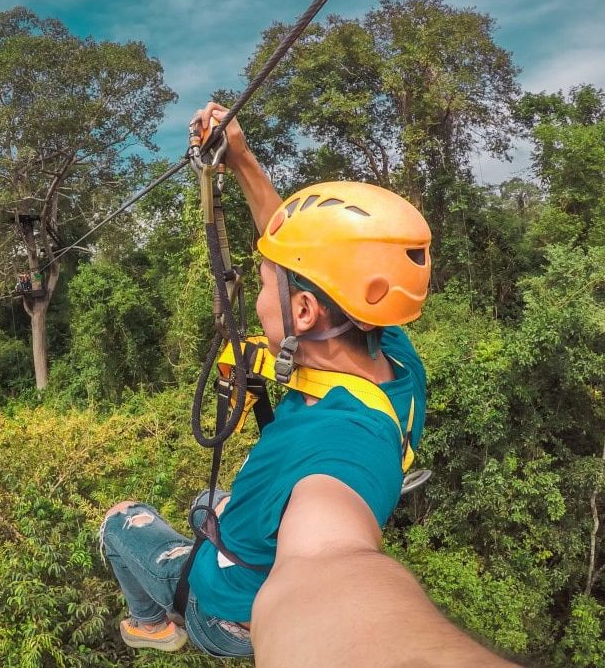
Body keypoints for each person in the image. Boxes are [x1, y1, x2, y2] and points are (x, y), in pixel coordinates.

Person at [99, 103, 520, 666]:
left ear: (303, 311)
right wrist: (241, 160)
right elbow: (298, 255)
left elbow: (329, 567)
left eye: (261, 284)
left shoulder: (336, 450)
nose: (256, 299)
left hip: (226, 613)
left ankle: (150, 623)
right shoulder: (391, 352)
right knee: (207, 504)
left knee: (121, 518)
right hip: (257, 547)